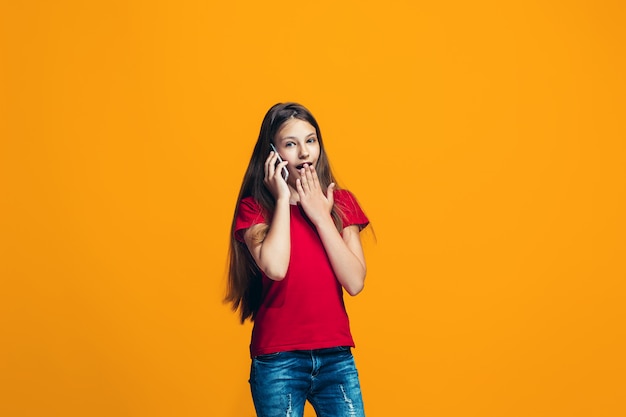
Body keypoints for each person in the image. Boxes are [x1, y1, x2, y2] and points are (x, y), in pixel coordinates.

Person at [226, 102, 370, 417]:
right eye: (291, 144)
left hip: (336, 357)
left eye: (310, 140)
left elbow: (355, 281)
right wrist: (280, 199)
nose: (304, 152)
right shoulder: (255, 209)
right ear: (272, 154)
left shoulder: (341, 203)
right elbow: (276, 268)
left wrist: (320, 216)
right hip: (279, 361)